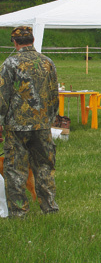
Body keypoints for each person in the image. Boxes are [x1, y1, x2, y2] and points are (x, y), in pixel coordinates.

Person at [0, 26, 59, 217]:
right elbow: (53, 95)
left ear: (15, 42)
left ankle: (19, 212)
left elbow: (2, 97)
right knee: (44, 168)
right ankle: (49, 208)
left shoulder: (9, 63)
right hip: (42, 125)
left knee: (15, 170)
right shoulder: (47, 63)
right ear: (32, 40)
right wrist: (49, 119)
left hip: (16, 126)